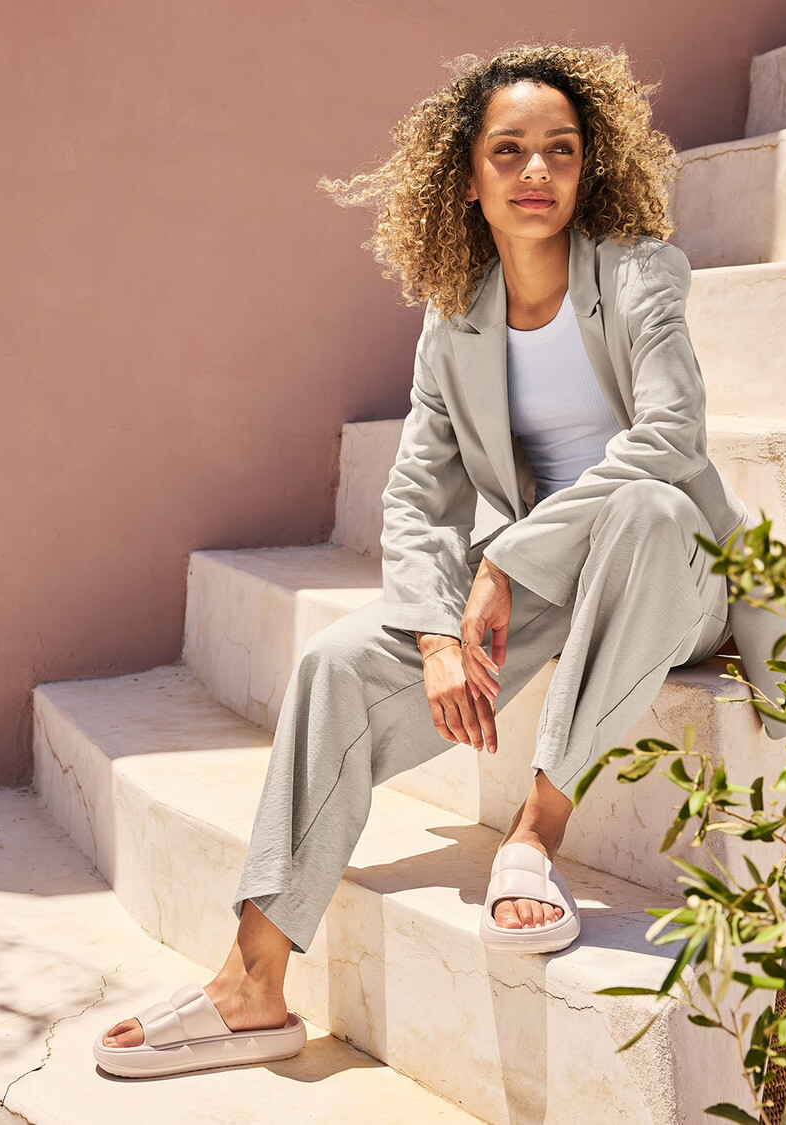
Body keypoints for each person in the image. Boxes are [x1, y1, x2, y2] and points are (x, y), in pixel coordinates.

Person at [93, 41, 752, 1078]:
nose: (536, 170)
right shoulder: (455, 320)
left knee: (645, 508)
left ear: (589, 168)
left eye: (561, 149)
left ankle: (535, 832)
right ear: (468, 176)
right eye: (509, 150)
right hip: (549, 585)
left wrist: (506, 560)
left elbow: (670, 439)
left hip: (674, 566)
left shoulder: (636, 272)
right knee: (337, 664)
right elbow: (414, 495)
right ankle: (253, 980)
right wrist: (438, 634)